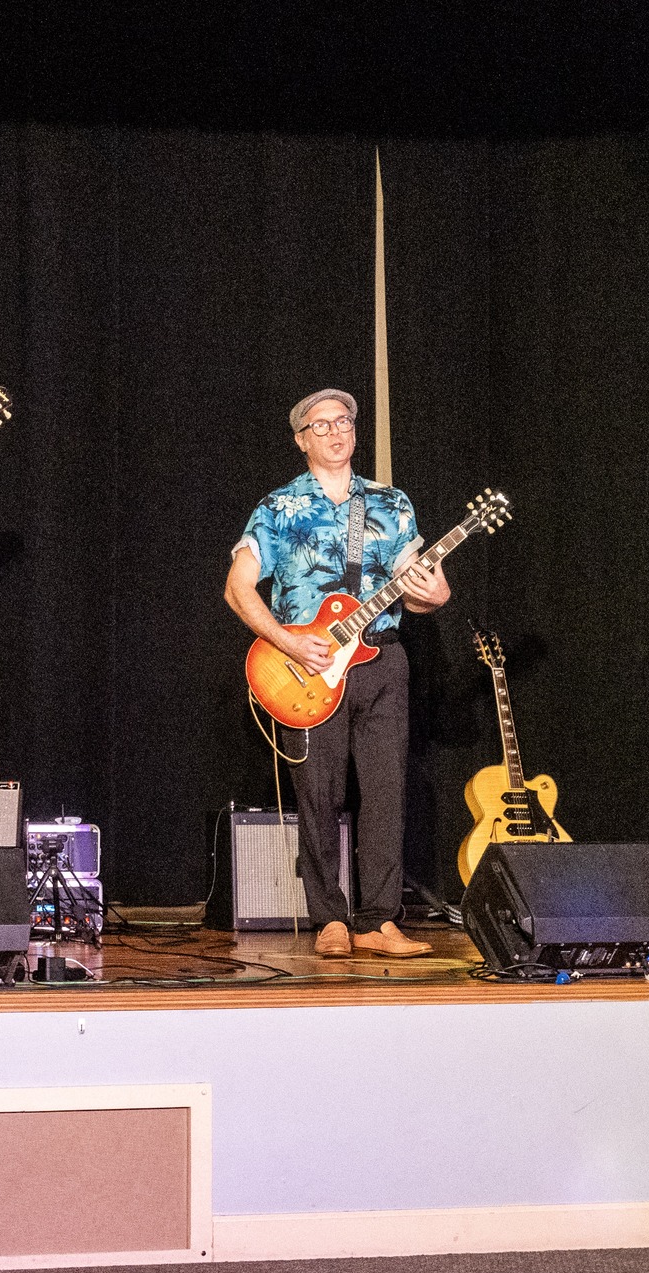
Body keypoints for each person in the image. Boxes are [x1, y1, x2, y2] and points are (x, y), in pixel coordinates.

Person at [224, 387, 448, 959]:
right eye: (320, 425)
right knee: (318, 794)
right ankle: (329, 918)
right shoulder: (278, 508)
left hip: (382, 659)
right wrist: (286, 640)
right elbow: (238, 588)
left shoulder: (391, 503)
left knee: (384, 793)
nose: (334, 432)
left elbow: (416, 590)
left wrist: (435, 593)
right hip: (309, 666)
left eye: (343, 421)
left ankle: (378, 921)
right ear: (302, 440)